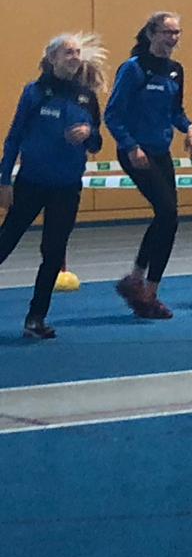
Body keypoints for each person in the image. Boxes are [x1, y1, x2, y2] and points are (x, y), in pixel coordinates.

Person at [0, 34, 107, 339]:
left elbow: (96, 143)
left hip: (67, 187)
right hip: (32, 182)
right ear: (52, 58)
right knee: (6, 241)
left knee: (53, 251)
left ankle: (36, 318)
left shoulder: (86, 97)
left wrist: (88, 132)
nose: (74, 57)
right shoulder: (35, 93)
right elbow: (14, 138)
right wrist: (4, 180)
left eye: (77, 52)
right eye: (68, 52)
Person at [106, 10, 192, 320]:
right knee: (167, 212)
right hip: (136, 152)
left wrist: (189, 128)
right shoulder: (134, 69)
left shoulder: (175, 70)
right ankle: (143, 287)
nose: (172, 38)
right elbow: (113, 114)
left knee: (168, 218)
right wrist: (130, 145)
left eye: (176, 33)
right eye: (167, 32)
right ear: (151, 34)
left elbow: (176, 111)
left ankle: (141, 284)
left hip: (160, 152)